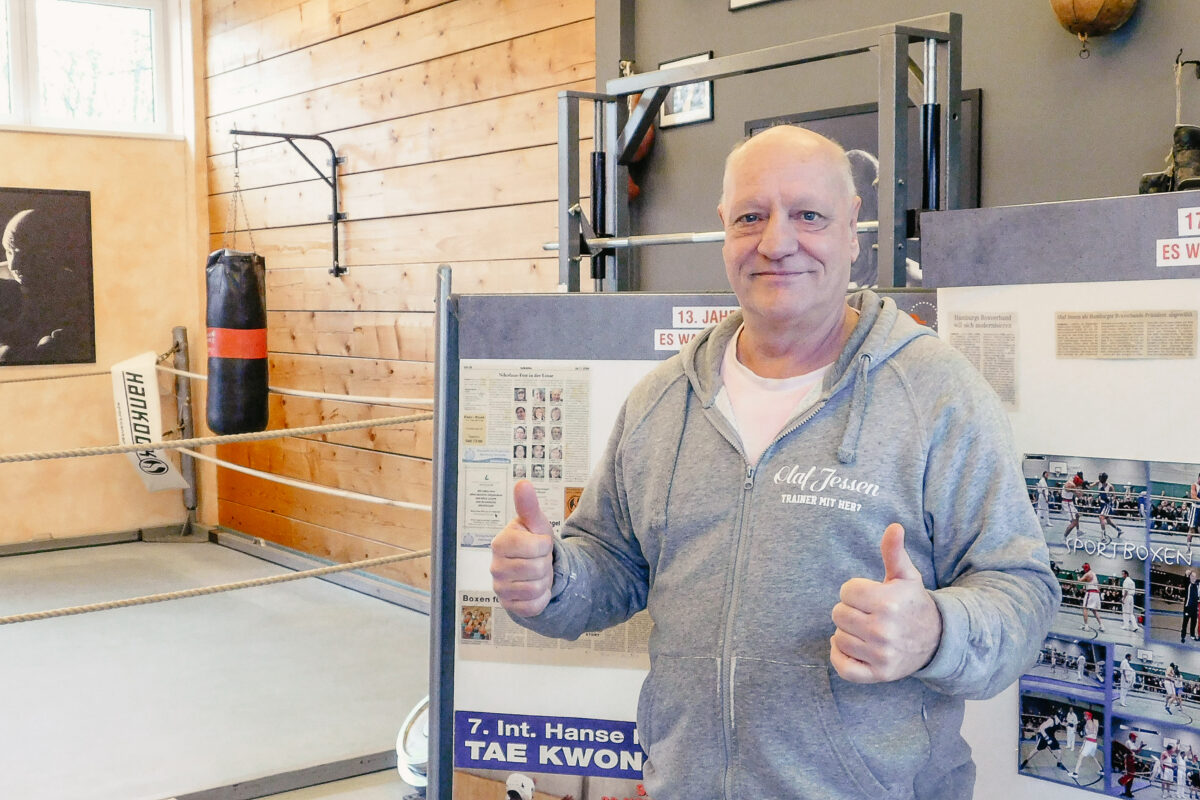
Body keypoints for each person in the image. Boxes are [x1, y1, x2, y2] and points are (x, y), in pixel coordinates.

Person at [490, 125, 1059, 799]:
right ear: (724, 230)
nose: (777, 241)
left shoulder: (937, 394)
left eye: (808, 216)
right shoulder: (662, 399)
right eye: (751, 216)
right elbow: (612, 563)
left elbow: (1022, 590)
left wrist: (935, 630)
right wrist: (553, 581)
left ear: (853, 230)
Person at [0, 207, 92, 364]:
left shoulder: (76, 293)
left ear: (50, 253)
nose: (13, 264)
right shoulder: (4, 286)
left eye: (26, 254)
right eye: (9, 252)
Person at [1068, 710, 1100, 779]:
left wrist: (1083, 733)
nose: (1084, 716)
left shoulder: (1089, 721)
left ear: (1088, 716)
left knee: (1080, 757)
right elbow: (1094, 731)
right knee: (1093, 756)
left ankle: (1075, 773)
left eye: (1085, 715)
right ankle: (1101, 770)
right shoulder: (1096, 721)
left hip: (1089, 742)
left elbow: (1091, 731)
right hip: (1094, 742)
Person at [1097, 472, 1125, 542]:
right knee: (1108, 521)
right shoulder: (1098, 483)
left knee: (1101, 517)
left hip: (1106, 504)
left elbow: (1114, 496)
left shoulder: (1110, 486)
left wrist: (1110, 499)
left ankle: (1103, 536)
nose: (1100, 478)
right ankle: (1119, 530)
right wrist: (1084, 484)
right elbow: (1090, 486)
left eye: (1101, 477)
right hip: (1102, 504)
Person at [1080, 562, 1104, 633]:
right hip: (1096, 593)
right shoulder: (1093, 573)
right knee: (1094, 610)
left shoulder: (1088, 574)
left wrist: (1078, 576)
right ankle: (1101, 625)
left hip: (1090, 593)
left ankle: (1086, 626)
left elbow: (1080, 580)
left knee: (1085, 608)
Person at [1062, 473, 1085, 541]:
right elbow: (1079, 495)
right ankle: (1064, 537)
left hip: (1070, 502)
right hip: (1067, 503)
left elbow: (1078, 494)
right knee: (1074, 522)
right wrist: (1083, 488)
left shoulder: (1072, 482)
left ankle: (1078, 532)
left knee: (1077, 515)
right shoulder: (1071, 484)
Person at [1183, 571, 1199, 643]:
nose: (1194, 578)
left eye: (1195, 576)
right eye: (1192, 576)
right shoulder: (1188, 584)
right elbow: (1185, 580)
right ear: (1190, 577)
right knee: (1185, 622)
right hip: (1188, 608)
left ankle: (1192, 635)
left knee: (1194, 622)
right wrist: (1186, 574)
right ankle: (1183, 636)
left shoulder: (1196, 585)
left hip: (1194, 608)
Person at [1189, 475, 1200, 548]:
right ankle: (1188, 547)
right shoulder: (1194, 485)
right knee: (1191, 529)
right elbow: (1193, 496)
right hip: (1195, 509)